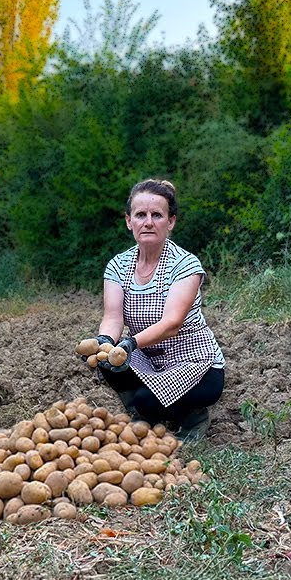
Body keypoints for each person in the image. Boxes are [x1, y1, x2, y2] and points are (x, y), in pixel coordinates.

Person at [90, 179, 225, 440]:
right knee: (108, 361)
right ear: (129, 221)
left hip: (194, 363)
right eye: (140, 215)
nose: (148, 222)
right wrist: (104, 342)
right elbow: (112, 317)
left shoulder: (186, 265)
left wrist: (129, 344)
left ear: (170, 222)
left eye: (157, 215)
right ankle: (146, 415)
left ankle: (192, 416)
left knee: (147, 400)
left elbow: (172, 323)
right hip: (149, 360)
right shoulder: (118, 265)